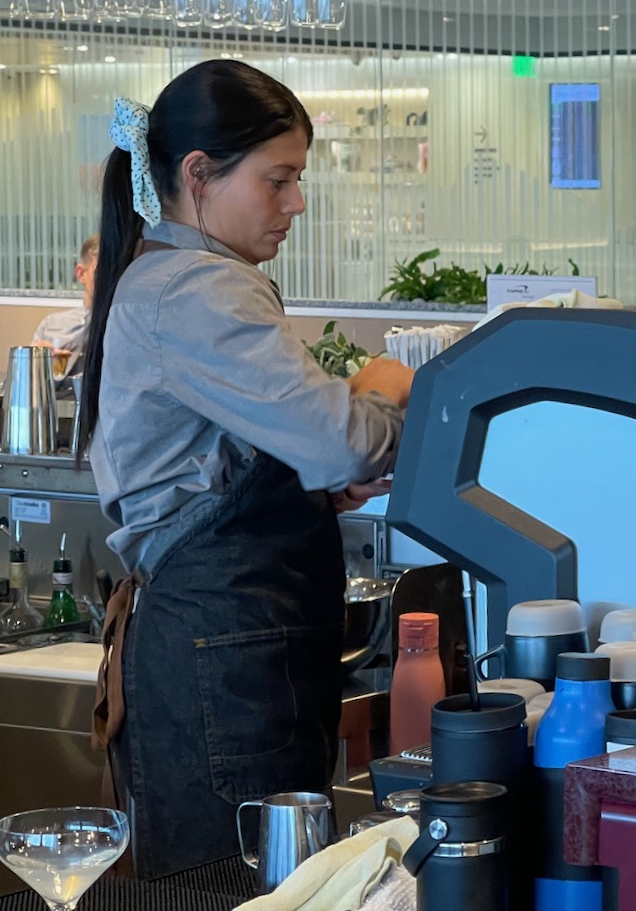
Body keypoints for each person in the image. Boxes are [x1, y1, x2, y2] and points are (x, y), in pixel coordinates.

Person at [77, 61, 416, 880]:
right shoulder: (199, 287)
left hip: (225, 648)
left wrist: (309, 486)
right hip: (218, 656)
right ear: (199, 174)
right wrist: (386, 396)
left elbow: (224, 471)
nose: (296, 202)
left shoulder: (173, 277)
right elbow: (341, 439)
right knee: (238, 886)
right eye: (279, 179)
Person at [31, 234, 99, 375]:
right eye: (100, 273)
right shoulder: (52, 325)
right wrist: (33, 361)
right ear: (81, 274)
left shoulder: (126, 328)